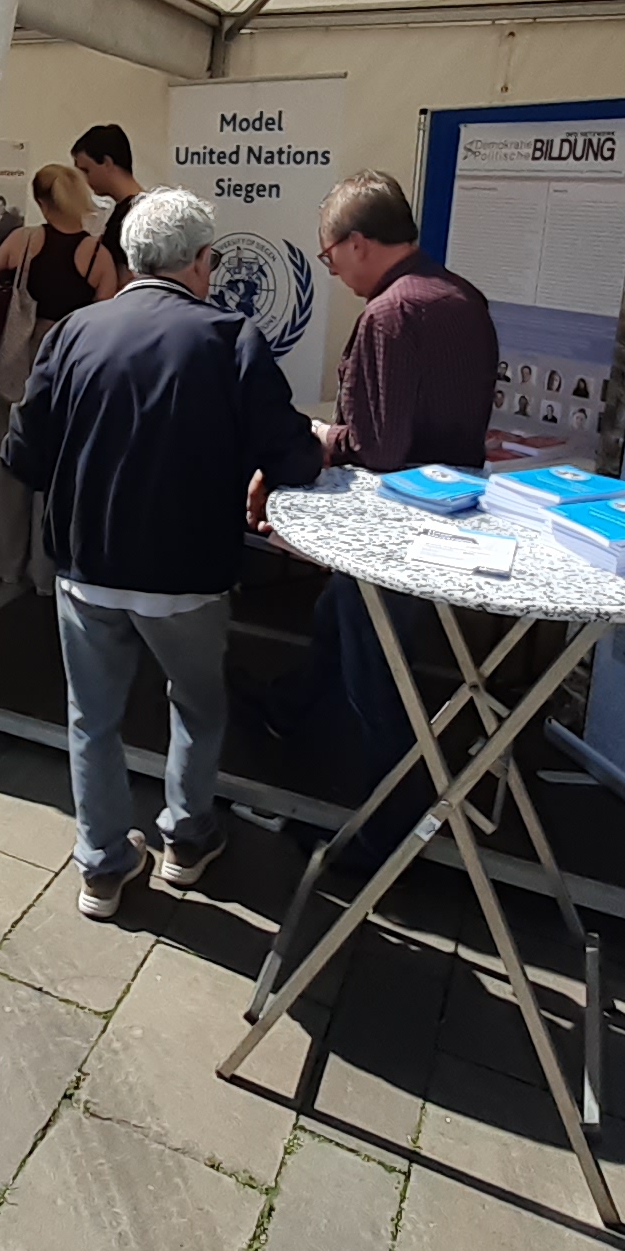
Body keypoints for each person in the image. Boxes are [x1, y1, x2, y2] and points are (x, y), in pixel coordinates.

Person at [4, 188, 322, 917]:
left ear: (128, 259)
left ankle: (103, 867)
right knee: (198, 706)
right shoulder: (229, 336)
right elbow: (294, 456)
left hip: (86, 569)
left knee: (93, 718)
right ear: (202, 262)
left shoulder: (75, 332)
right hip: (187, 576)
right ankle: (185, 840)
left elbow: (23, 453)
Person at [249, 172, 497, 863]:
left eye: (329, 259)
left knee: (377, 678)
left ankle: (388, 834)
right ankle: (285, 707)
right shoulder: (462, 296)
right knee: (341, 621)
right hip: (449, 510)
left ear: (358, 243)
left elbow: (379, 446)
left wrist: (325, 437)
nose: (331, 273)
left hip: (391, 527)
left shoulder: (391, 314)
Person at [0, 164, 115, 593]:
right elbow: (105, 321)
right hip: (65, 369)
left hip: (11, 367)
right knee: (56, 471)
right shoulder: (97, 255)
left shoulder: (21, 241)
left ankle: (3, 561)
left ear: (40, 202)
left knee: (2, 466)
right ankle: (45, 569)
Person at [71, 123, 144, 282]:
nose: (85, 179)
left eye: (86, 170)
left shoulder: (133, 216)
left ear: (106, 162)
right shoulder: (134, 210)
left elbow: (126, 280)